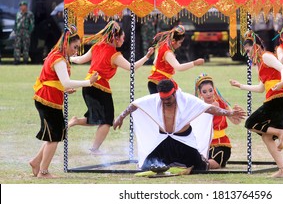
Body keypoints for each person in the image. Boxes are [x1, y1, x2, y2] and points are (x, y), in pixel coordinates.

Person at [113, 79, 246, 171]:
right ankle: (168, 163)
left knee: (200, 167)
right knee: (146, 166)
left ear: (174, 93)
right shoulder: (155, 99)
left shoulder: (186, 100)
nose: (166, 102)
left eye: (169, 98)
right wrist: (121, 116)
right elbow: (134, 105)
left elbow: (208, 108)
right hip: (164, 141)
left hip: (184, 142)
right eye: (163, 99)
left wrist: (229, 113)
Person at [68, 21, 154, 154]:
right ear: (116, 37)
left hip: (88, 86)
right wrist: (147, 57)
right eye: (122, 37)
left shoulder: (96, 46)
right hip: (100, 87)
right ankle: (94, 149)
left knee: (98, 117)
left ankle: (76, 121)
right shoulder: (115, 55)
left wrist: (69, 58)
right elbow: (132, 68)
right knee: (107, 120)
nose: (123, 40)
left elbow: (80, 59)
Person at [29, 25, 99, 178]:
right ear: (66, 43)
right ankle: (43, 171)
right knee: (54, 137)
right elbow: (66, 82)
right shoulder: (58, 58)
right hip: (47, 100)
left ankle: (36, 162)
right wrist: (88, 83)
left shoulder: (58, 56)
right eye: (75, 47)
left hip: (49, 99)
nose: (76, 51)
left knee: (53, 135)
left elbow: (58, 82)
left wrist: (64, 89)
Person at [229, 30, 283, 178]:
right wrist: (241, 86)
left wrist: (282, 81)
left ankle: (280, 132)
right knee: (265, 137)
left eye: (249, 50)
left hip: (280, 99)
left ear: (256, 46)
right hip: (279, 100)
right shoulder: (261, 64)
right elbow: (260, 88)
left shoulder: (266, 56)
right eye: (246, 51)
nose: (248, 54)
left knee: (250, 122)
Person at [195, 73, 241, 169]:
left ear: (214, 89)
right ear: (200, 93)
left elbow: (236, 122)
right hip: (203, 144)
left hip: (221, 144)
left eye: (210, 90)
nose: (208, 94)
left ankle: (198, 165)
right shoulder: (198, 107)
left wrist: (238, 114)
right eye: (205, 91)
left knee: (212, 163)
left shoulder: (221, 103)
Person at [147, 25, 204, 94]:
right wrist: (195, 63)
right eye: (180, 43)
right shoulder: (168, 53)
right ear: (173, 41)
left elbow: (155, 62)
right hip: (160, 83)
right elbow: (179, 67)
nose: (180, 45)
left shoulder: (163, 45)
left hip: (155, 81)